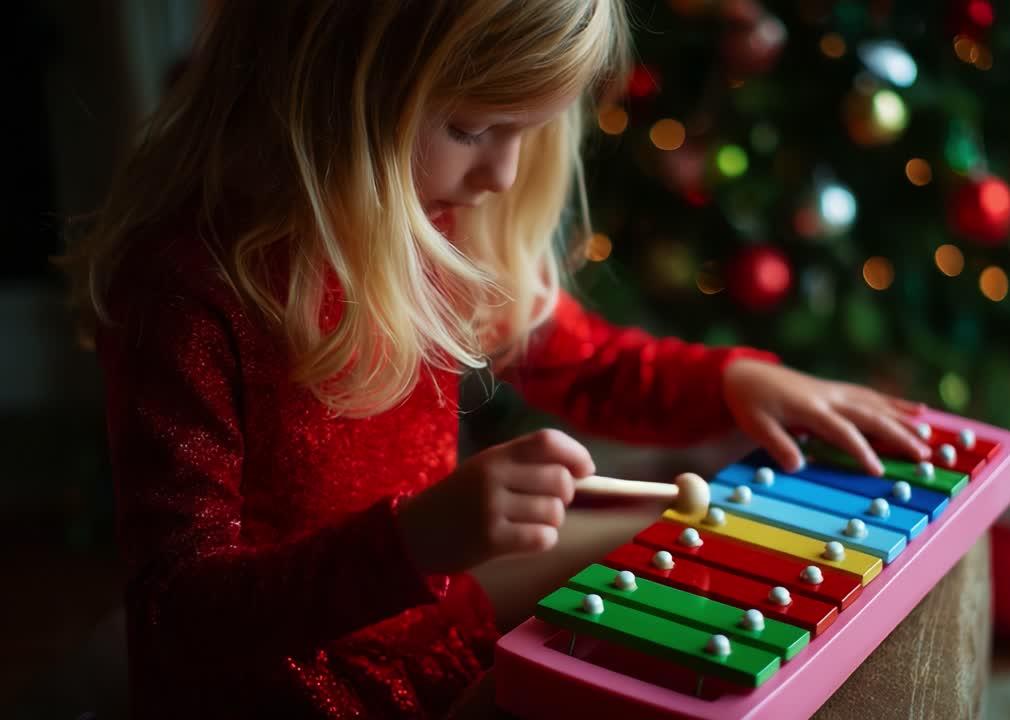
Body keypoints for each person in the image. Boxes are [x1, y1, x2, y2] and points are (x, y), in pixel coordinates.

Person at [58, 1, 931, 717]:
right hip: (287, 685)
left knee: (710, 542)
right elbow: (181, 612)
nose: (506, 176)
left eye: (530, 130)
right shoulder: (184, 286)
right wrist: (417, 539)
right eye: (474, 126)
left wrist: (734, 379)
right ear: (323, 85)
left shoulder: (431, 214)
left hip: (425, 606)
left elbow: (588, 367)